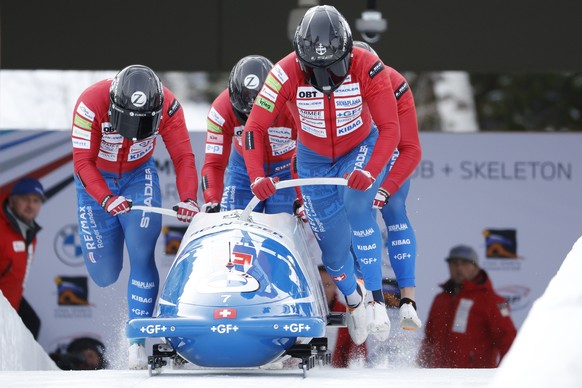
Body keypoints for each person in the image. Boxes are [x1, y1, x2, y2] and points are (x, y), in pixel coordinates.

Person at [242, 5, 406, 346]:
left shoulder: (369, 67)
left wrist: (369, 169)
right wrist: (257, 175)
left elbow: (390, 129)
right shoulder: (283, 73)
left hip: (358, 148)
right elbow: (255, 128)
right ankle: (355, 299)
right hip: (313, 160)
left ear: (348, 52)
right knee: (332, 254)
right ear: (301, 60)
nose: (327, 79)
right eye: (316, 71)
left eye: (334, 68)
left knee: (358, 206)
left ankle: (375, 299)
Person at [71, 64, 200, 369]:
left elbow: (183, 156)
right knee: (105, 274)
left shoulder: (169, 106)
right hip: (95, 182)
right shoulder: (89, 103)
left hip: (137, 176)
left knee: (142, 250)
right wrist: (105, 197)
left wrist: (189, 198)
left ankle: (137, 341)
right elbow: (82, 162)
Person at [352, 40, 423, 331]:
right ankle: (408, 300)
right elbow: (411, 148)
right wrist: (388, 186)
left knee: (357, 215)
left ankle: (370, 299)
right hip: (386, 154)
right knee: (395, 214)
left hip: (369, 154)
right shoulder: (394, 80)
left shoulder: (385, 82)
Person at [201, 55, 297, 213]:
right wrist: (212, 200)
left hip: (286, 172)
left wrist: (302, 196)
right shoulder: (220, 111)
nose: (253, 118)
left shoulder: (291, 103)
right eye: (246, 114)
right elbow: (214, 164)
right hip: (242, 174)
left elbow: (307, 151)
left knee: (286, 223)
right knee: (234, 226)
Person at [417, 245, 517, 368]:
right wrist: (421, 367)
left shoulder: (493, 302)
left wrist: (502, 376)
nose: (459, 268)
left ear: (475, 267)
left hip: (473, 380)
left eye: (465, 263)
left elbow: (508, 341)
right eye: (454, 263)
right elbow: (429, 340)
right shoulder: (440, 299)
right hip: (438, 379)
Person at [0, 177, 45, 340]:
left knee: (32, 323)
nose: (30, 205)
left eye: (35, 200)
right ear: (12, 200)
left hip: (11, 303)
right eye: (25, 199)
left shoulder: (30, 234)